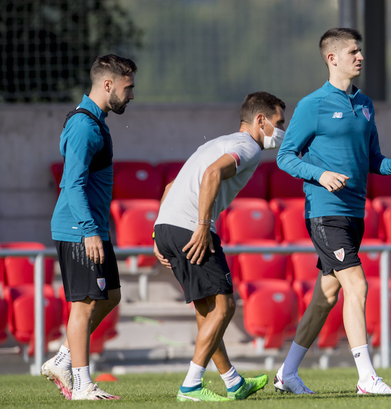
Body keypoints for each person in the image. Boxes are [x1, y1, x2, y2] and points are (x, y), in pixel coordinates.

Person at [274, 27, 391, 395]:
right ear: (331, 58)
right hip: (325, 212)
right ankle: (367, 378)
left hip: (355, 213)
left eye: (360, 51)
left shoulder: (366, 104)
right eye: (353, 51)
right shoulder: (312, 105)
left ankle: (287, 373)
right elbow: (285, 156)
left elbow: (372, 158)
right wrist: (320, 174)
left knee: (327, 296)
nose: (360, 57)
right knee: (357, 284)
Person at [152, 92, 286, 401]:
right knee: (225, 306)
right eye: (279, 123)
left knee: (208, 310)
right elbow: (213, 174)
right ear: (260, 120)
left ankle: (233, 382)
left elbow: (172, 186)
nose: (281, 131)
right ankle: (191, 386)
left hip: (167, 226)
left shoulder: (216, 142)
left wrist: (157, 235)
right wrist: (201, 227)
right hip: (191, 228)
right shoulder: (248, 147)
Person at [43, 54, 136, 400]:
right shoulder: (83, 126)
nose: (131, 95)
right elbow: (73, 183)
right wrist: (89, 230)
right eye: (128, 88)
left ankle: (63, 359)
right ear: (108, 84)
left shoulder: (95, 122)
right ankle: (81, 384)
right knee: (82, 306)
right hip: (81, 230)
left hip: (93, 228)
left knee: (110, 296)